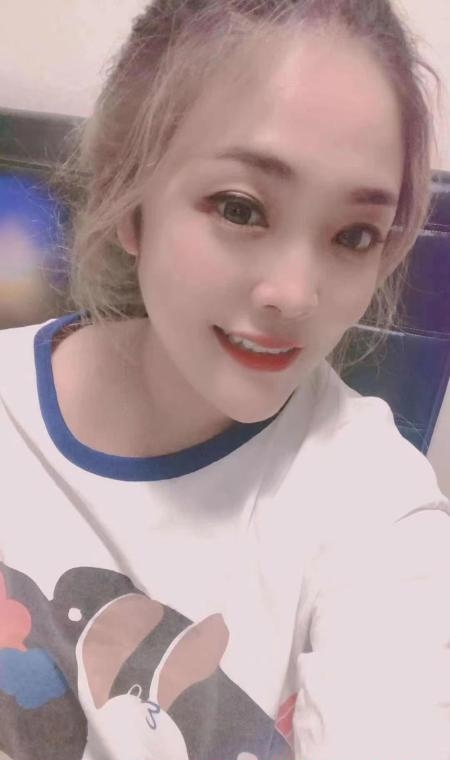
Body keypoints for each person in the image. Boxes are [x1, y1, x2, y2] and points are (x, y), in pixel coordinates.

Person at [0, 1, 449, 758]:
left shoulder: (375, 507)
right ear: (131, 198)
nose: (296, 295)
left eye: (354, 235)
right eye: (240, 208)